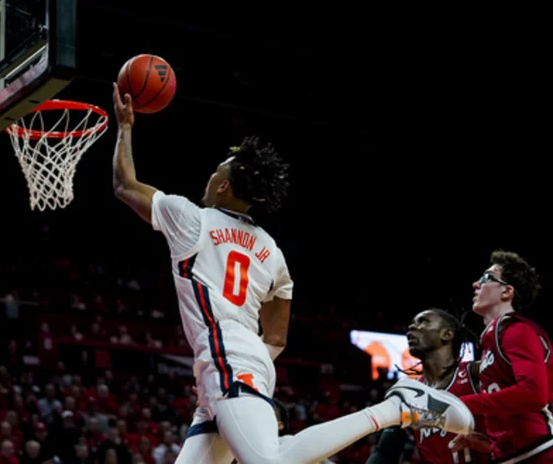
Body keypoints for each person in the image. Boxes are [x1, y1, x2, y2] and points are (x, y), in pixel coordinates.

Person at [111, 83, 475, 464]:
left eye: (214, 172)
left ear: (222, 185)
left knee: (271, 462)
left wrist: (126, 126)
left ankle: (397, 407)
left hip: (227, 357)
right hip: (240, 362)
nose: (209, 177)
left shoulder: (191, 221)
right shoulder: (271, 249)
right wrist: (242, 362)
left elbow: (124, 184)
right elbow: (277, 335)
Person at [448, 250, 553, 463]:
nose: (475, 284)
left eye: (486, 278)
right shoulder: (491, 341)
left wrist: (466, 403)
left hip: (541, 451)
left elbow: (534, 394)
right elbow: (512, 413)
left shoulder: (517, 330)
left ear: (506, 292)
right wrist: (488, 442)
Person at [366, 308, 490, 464]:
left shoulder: (476, 373)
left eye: (423, 322)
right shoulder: (409, 396)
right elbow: (384, 452)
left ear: (447, 334)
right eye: (412, 323)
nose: (411, 327)